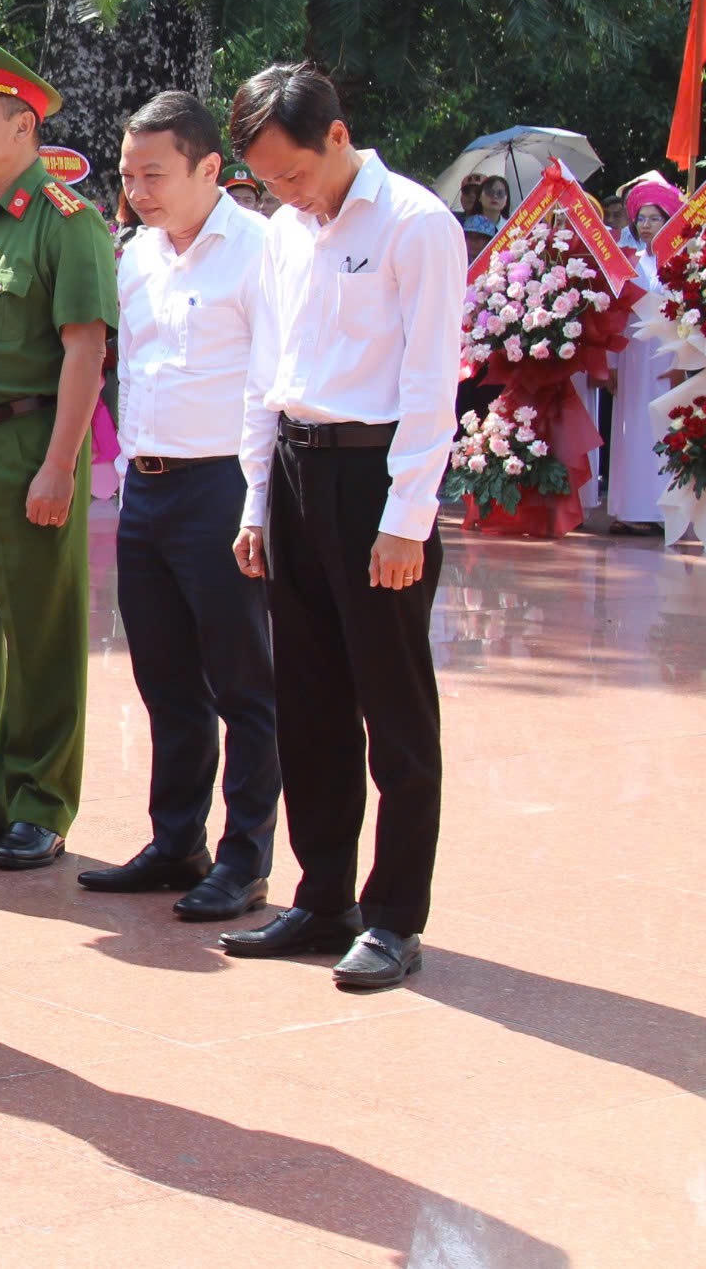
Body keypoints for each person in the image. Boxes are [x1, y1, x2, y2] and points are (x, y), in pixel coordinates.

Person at [222, 62, 465, 992]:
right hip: (294, 469)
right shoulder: (286, 233)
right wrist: (256, 500)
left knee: (392, 709)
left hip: (376, 480)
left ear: (336, 134)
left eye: (293, 172)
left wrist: (407, 518)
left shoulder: (415, 224)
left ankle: (395, 915)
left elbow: (431, 381)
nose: (285, 193)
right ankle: (324, 896)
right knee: (310, 701)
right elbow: (266, 370)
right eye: (267, 181)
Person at [81, 91, 278, 922]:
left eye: (153, 174)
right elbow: (130, 367)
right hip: (149, 486)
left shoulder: (260, 250)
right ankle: (176, 841)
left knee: (243, 682)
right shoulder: (137, 255)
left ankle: (245, 858)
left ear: (209, 168)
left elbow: (270, 384)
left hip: (223, 484)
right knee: (164, 676)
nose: (137, 192)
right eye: (128, 175)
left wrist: (258, 503)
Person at [0, 31, 113, 871]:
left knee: (40, 635)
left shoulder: (65, 221)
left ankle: (41, 798)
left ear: (24, 126)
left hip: (26, 441)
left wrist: (59, 465)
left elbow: (85, 349)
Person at [607, 174, 682, 534]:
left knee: (663, 428)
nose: (647, 225)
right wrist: (610, 363)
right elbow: (614, 315)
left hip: (667, 357)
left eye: (655, 218)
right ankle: (630, 509)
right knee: (631, 428)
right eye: (642, 219)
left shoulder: (682, 263)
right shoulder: (629, 262)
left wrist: (683, 362)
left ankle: (664, 512)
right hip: (632, 356)